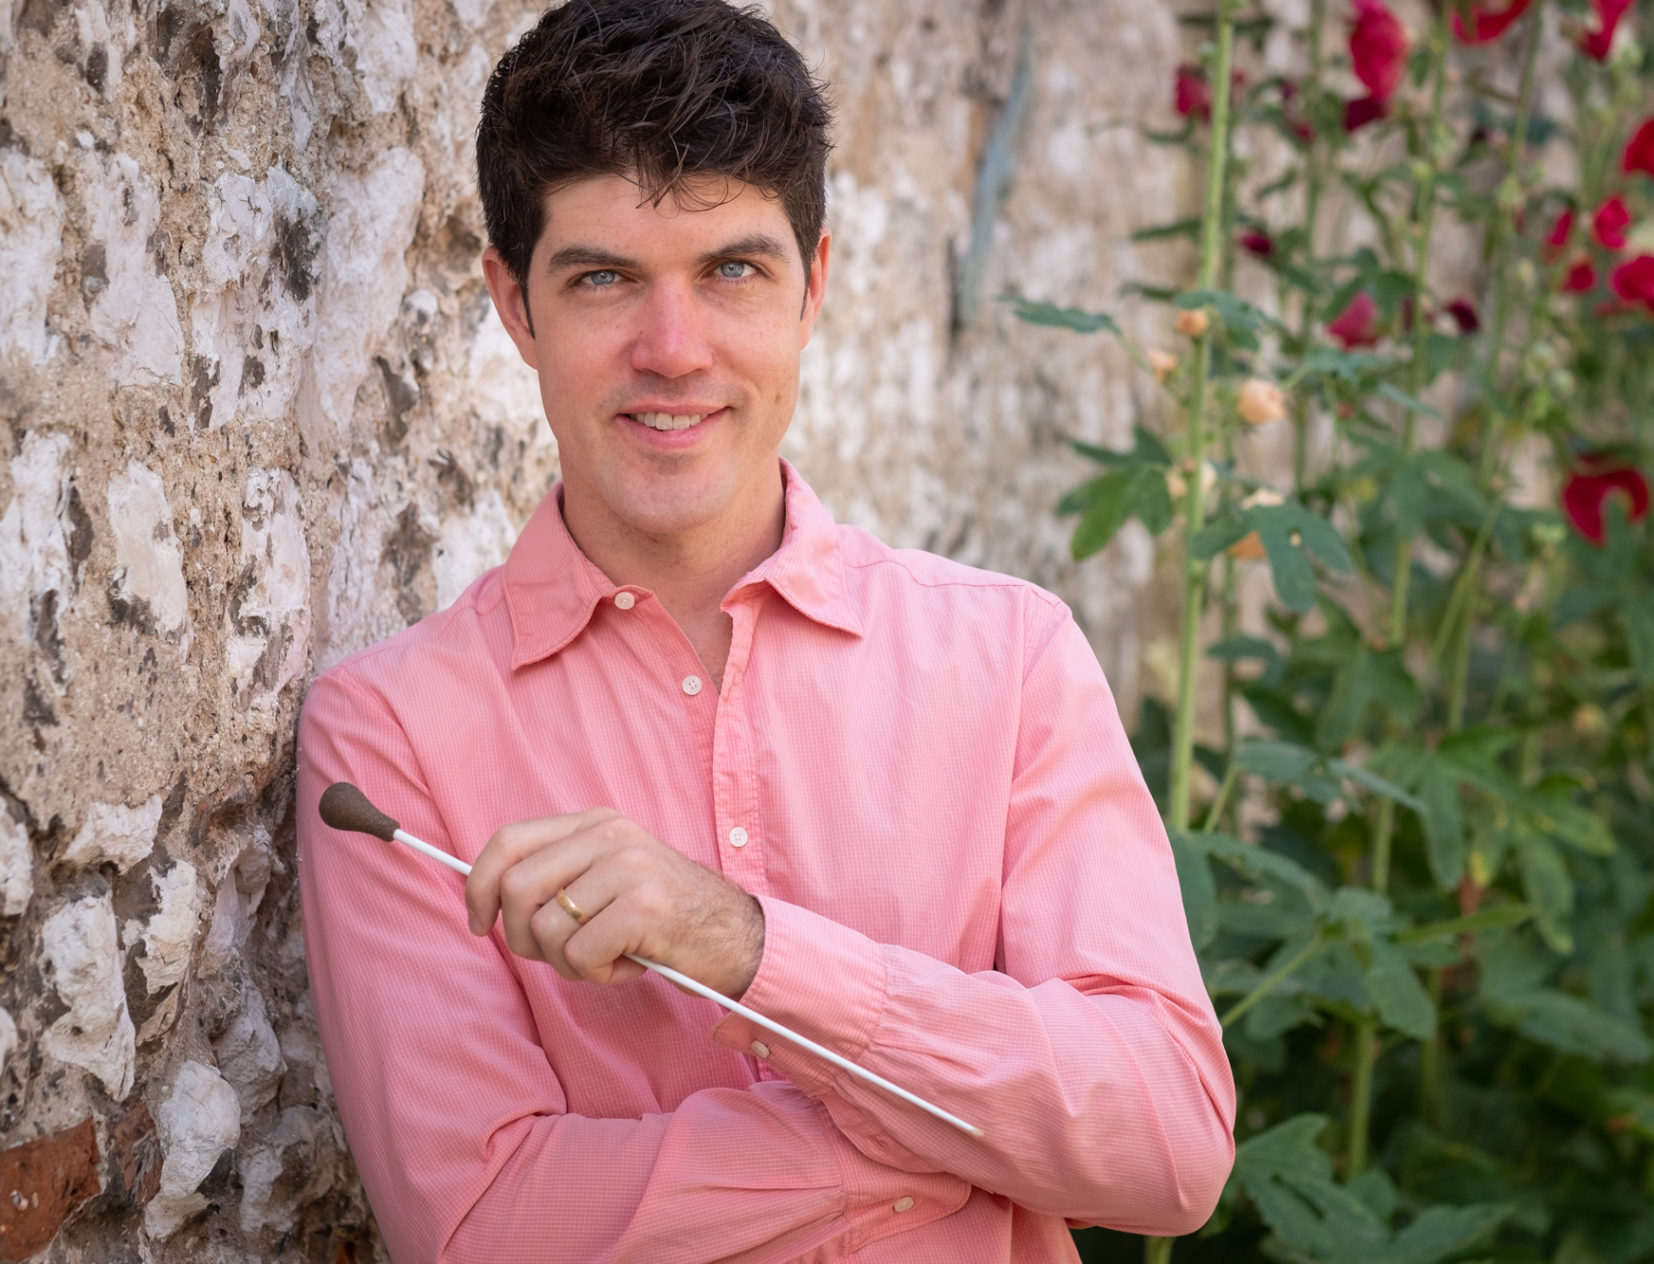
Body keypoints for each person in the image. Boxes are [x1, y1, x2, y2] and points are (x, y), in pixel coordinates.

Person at [291, 1, 1235, 1260]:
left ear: (816, 286)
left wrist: (741, 949)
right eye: (603, 279)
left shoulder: (1010, 658)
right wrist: (949, 1129)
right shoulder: (390, 735)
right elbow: (478, 1225)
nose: (672, 351)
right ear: (515, 307)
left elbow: (1168, 1143)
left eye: (732, 269)